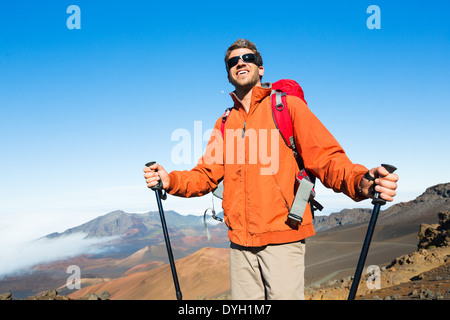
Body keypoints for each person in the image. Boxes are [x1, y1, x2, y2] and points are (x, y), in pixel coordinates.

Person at [143, 39, 398, 300]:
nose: (240, 62)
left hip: (283, 240)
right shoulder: (224, 123)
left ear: (260, 68)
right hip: (240, 245)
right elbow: (205, 175)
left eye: (248, 58)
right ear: (228, 73)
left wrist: (360, 182)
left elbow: (326, 158)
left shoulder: (287, 107)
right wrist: (169, 180)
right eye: (233, 61)